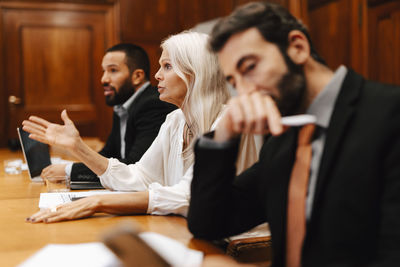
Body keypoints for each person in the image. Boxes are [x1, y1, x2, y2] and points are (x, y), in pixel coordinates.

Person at [188, 2, 400, 267]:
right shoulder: (282, 137)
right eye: (234, 82)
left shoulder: (390, 114)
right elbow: (209, 223)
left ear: (297, 47)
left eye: (250, 67)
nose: (244, 93)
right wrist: (224, 135)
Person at [23, 31, 250, 223]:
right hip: (183, 229)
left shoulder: (230, 123)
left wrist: (98, 202)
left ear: (195, 74)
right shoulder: (175, 120)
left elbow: (191, 195)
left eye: (167, 66)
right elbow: (140, 177)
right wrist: (77, 147)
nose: (157, 75)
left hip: (232, 246)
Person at [40, 43, 175, 184]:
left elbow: (135, 167)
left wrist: (69, 170)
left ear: (137, 76)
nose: (104, 79)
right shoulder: (123, 105)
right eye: (104, 71)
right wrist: (74, 162)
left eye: (113, 70)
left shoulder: (153, 105)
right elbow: (108, 154)